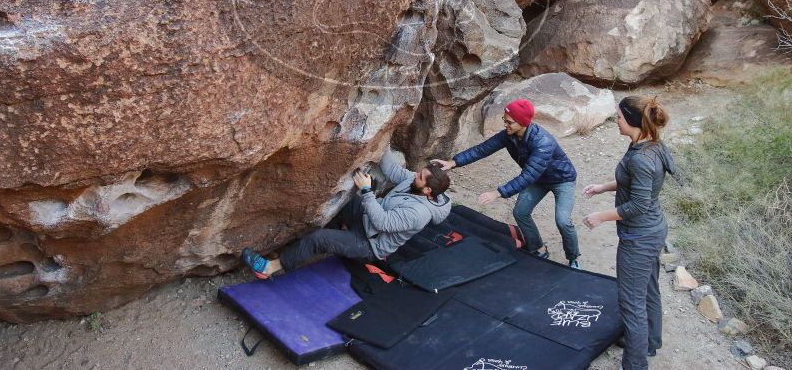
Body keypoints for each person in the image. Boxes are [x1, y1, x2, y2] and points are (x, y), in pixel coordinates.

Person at [241, 150, 451, 278]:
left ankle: (269, 268)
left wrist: (367, 191)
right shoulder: (413, 183)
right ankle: (311, 248)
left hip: (370, 244)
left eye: (421, 176)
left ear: (427, 191)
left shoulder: (419, 213)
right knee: (345, 202)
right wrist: (383, 138)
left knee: (319, 238)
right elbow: (393, 170)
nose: (416, 174)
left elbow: (383, 223)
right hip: (366, 222)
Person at [582, 96, 675, 370]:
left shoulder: (642, 158)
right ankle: (649, 342)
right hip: (652, 229)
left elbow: (638, 204)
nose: (616, 122)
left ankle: (635, 364)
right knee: (648, 289)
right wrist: (602, 187)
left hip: (639, 237)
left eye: (619, 117)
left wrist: (601, 216)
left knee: (631, 304)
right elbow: (633, 184)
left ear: (633, 121)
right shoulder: (648, 144)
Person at [432, 98, 580, 268]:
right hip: (539, 179)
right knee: (520, 212)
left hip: (561, 180)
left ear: (522, 123)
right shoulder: (509, 136)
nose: (505, 124)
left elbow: (528, 176)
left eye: (509, 122)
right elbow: (482, 149)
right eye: (504, 120)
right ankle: (538, 247)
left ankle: (573, 258)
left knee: (562, 220)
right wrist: (453, 163)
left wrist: (497, 193)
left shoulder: (542, 142)